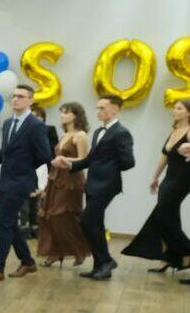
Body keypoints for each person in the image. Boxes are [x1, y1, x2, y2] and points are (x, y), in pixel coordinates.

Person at [0, 84, 53, 283]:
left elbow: (45, 155)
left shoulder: (35, 125)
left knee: (4, 223)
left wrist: (25, 168)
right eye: (14, 96)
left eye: (21, 96)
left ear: (30, 100)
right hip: (6, 180)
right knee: (10, 223)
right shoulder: (8, 123)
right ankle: (27, 261)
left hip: (21, 181)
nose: (16, 99)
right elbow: (4, 153)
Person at [52, 94, 135, 280]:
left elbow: (129, 162)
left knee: (86, 221)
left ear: (115, 109)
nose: (98, 111)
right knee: (95, 223)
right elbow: (90, 160)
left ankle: (106, 261)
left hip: (106, 184)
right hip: (93, 183)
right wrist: (69, 164)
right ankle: (100, 266)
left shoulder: (121, 133)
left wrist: (107, 168)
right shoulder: (98, 132)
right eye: (97, 108)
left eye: (102, 108)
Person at [123, 100, 190, 273]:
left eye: (179, 108)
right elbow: (164, 156)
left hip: (182, 180)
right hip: (169, 179)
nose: (174, 110)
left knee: (162, 217)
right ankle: (170, 257)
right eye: (174, 108)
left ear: (188, 112)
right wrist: (155, 177)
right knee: (170, 218)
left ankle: (186, 253)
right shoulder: (174, 131)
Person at [37, 102, 91, 267]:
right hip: (56, 178)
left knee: (63, 216)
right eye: (62, 112)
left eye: (66, 112)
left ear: (76, 115)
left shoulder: (80, 136)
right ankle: (55, 252)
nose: (62, 115)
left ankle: (78, 249)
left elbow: (84, 160)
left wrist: (64, 159)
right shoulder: (64, 135)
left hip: (71, 180)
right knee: (49, 216)